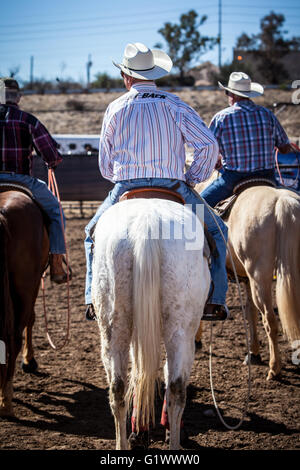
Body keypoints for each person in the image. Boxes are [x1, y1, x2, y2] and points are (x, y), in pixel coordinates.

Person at [84, 42, 229, 322]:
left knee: (91, 234)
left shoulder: (115, 108)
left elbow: (105, 164)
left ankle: (92, 298)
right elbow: (209, 146)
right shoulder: (176, 105)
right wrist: (192, 178)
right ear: (154, 74)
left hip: (126, 188)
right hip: (175, 188)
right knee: (218, 233)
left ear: (127, 76)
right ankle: (215, 300)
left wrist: (120, 176)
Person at [0, 77, 70, 283]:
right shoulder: (28, 121)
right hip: (21, 180)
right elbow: (52, 155)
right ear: (18, 97)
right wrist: (52, 162)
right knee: (56, 212)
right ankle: (57, 263)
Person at [200, 71, 296, 207]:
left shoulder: (221, 118)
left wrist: (217, 159)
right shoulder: (267, 114)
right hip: (267, 176)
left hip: (234, 177)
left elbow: (208, 150)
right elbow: (285, 148)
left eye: (227, 93)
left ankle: (207, 228)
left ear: (232, 95)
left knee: (196, 206)